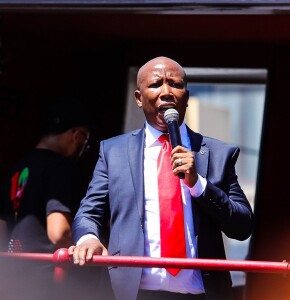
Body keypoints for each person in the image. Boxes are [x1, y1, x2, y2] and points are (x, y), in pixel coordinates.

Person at [68, 56, 254, 300]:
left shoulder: (218, 154)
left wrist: (198, 184)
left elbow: (242, 226)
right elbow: (89, 212)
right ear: (138, 98)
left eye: (175, 85)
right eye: (156, 84)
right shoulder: (114, 152)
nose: (166, 92)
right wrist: (88, 238)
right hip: (133, 292)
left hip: (200, 293)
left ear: (186, 96)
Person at [0, 99, 91, 253]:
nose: (84, 146)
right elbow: (59, 233)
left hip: (10, 268)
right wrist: (86, 247)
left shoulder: (17, 166)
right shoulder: (60, 167)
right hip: (42, 272)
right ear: (75, 135)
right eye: (85, 138)